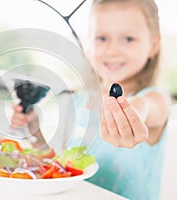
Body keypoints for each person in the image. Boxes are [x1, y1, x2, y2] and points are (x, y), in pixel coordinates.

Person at [11, 0, 172, 199]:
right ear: (88, 41)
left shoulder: (156, 98)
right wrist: (34, 132)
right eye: (102, 38)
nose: (112, 50)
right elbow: (62, 166)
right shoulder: (76, 102)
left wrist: (134, 110)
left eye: (128, 39)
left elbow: (150, 106)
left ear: (154, 45)